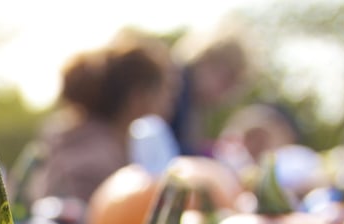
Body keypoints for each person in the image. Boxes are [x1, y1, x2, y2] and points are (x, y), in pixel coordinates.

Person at [32, 28, 176, 205]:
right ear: (138, 97)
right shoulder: (99, 166)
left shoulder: (80, 141)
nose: (170, 101)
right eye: (165, 91)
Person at [168, 23, 252, 157]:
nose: (227, 93)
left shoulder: (194, 104)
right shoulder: (173, 88)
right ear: (206, 59)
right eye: (227, 79)